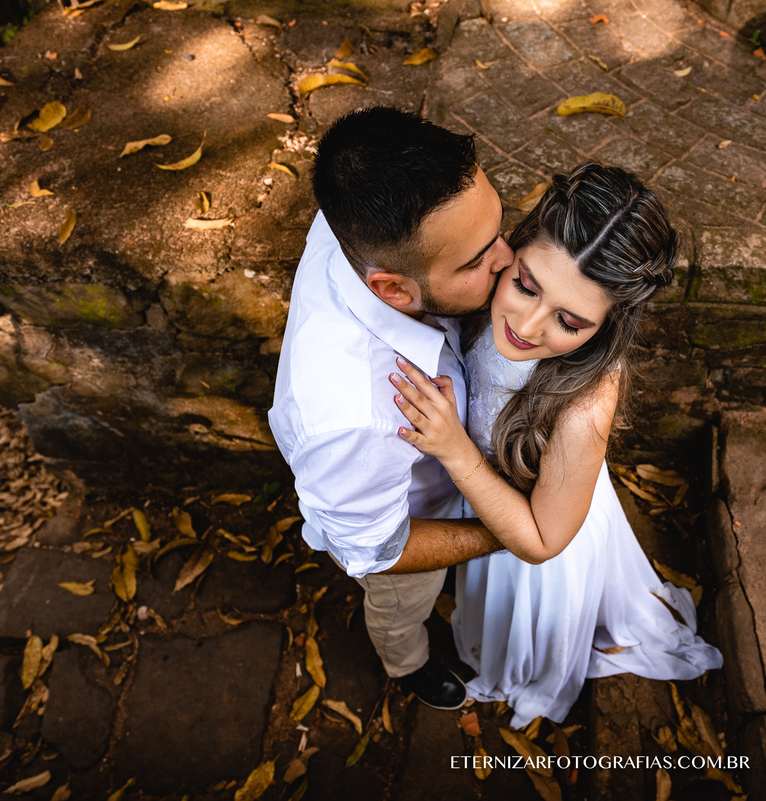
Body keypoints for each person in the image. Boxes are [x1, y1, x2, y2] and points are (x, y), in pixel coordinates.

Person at [389, 162, 723, 726]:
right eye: (524, 284)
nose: (527, 324)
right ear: (510, 249)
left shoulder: (588, 400)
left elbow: (543, 540)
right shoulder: (480, 293)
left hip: (534, 530)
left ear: (609, 326)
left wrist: (455, 451)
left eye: (569, 321)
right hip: (483, 513)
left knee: (513, 622)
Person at [268, 107, 514, 711]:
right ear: (394, 291)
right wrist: (505, 532)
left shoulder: (359, 211)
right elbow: (376, 550)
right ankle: (406, 666)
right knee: (403, 608)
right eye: (476, 262)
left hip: (444, 481)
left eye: (497, 230)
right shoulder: (357, 417)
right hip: (410, 527)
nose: (508, 261)